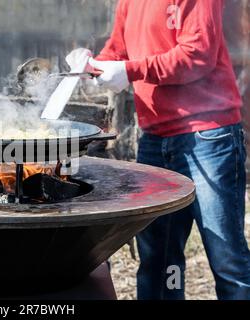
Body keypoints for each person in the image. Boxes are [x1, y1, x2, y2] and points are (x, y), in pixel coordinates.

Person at [67, 0, 250, 300]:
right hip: (154, 138)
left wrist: (129, 71)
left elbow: (197, 55)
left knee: (226, 257)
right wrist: (92, 65)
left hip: (207, 136)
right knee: (159, 259)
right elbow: (118, 50)